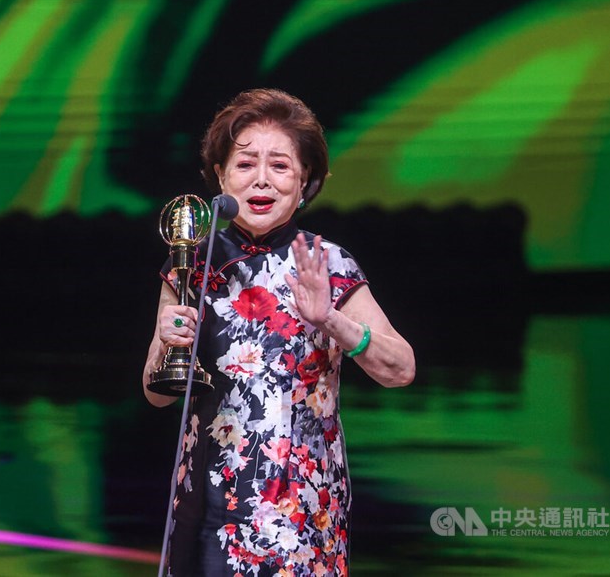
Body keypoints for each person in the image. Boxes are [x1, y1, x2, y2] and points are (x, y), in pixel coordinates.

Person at [142, 88, 415, 576]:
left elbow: (401, 368)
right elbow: (156, 395)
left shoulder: (327, 262)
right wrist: (167, 339)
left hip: (299, 513)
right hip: (207, 508)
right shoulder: (192, 263)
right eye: (245, 164)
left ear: (304, 179)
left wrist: (331, 319)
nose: (261, 180)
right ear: (221, 177)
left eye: (281, 166)